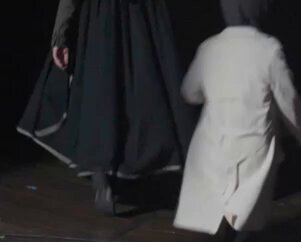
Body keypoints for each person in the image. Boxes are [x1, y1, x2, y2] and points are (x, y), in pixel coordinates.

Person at [176, 0, 301, 242]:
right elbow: (288, 99)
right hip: (253, 145)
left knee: (229, 218)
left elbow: (190, 91)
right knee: (247, 221)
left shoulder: (210, 47)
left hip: (214, 142)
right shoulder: (268, 49)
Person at [17, 0, 194, 214]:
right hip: (138, 15)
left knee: (101, 93)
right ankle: (139, 167)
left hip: (105, 16)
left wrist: (60, 35)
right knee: (139, 91)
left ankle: (102, 172)